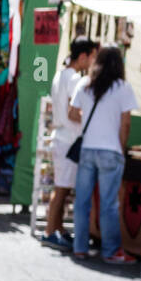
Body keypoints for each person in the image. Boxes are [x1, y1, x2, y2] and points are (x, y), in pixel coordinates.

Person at [68, 44, 139, 265]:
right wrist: (122, 146)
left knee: (82, 201)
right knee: (109, 203)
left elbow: (72, 113)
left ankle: (79, 247)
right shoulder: (123, 87)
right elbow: (125, 123)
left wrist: (92, 122)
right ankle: (110, 251)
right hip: (111, 150)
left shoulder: (85, 84)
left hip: (88, 148)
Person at [42, 38, 98, 249]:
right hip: (69, 140)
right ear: (83, 56)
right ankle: (49, 231)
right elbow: (73, 112)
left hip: (62, 137)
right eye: (92, 56)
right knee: (62, 190)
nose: (93, 61)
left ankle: (58, 229)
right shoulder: (75, 79)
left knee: (62, 189)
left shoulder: (60, 75)